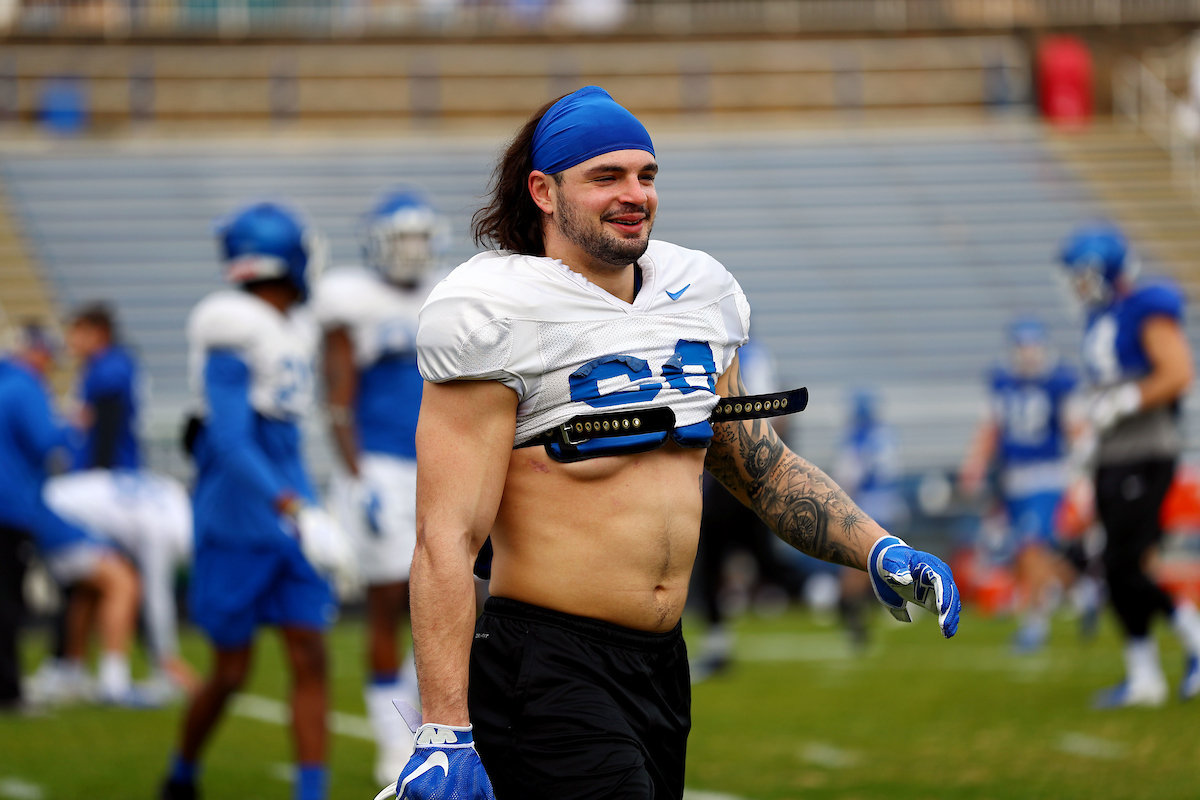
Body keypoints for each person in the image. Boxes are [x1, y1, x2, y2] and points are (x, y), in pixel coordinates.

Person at [385, 86, 961, 800]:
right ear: (543, 190)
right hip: (545, 661)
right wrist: (443, 729)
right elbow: (445, 535)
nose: (635, 194)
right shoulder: (496, 310)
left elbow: (758, 465)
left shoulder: (699, 292)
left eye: (645, 175)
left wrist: (876, 547)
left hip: (661, 663)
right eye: (606, 177)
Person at [160, 202, 352, 800]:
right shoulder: (230, 327)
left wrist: (310, 509)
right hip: (241, 514)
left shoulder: (290, 324)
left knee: (311, 656)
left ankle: (310, 792)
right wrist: (294, 506)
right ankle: (182, 773)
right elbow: (232, 440)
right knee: (231, 671)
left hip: (289, 510)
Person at [311, 189, 446, 785]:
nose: (412, 253)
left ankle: (438, 731)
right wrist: (354, 475)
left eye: (419, 240)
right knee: (391, 602)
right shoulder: (350, 300)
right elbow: (337, 401)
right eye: (402, 241)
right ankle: (394, 743)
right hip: (382, 469)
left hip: (442, 461)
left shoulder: (450, 292)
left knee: (449, 604)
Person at [1059, 221, 1200, 707]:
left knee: (1124, 563)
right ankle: (1144, 677)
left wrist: (1127, 399)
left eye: (1081, 274)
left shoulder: (1146, 305)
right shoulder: (1101, 317)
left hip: (1146, 452)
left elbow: (1178, 372)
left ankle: (1192, 634)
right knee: (1114, 568)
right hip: (1112, 457)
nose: (1075, 284)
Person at [0, 322, 141, 706]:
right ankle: (9, 690)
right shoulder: (25, 386)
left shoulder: (6, 382)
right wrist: (72, 427)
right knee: (10, 600)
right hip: (11, 506)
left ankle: (61, 670)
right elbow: (45, 441)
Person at [958, 317, 1086, 653]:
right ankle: (1085, 592)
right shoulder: (1002, 381)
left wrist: (1082, 474)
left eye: (1032, 347)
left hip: (1047, 475)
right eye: (1022, 347)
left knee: (1031, 547)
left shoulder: (1060, 381)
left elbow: (1076, 429)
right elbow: (990, 429)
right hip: (1013, 478)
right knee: (1026, 553)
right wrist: (975, 464)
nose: (1027, 354)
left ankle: (1035, 624)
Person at [691, 337, 802, 679]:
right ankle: (833, 597)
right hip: (745, 468)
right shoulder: (743, 355)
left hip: (739, 466)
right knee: (762, 558)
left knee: (709, 549)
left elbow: (771, 411)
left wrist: (757, 458)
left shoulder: (745, 357)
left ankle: (716, 644)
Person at [44, 468, 198, 698]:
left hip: (53, 503)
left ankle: (70, 671)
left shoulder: (174, 496)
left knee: (92, 587)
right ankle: (112, 682)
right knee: (123, 583)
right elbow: (157, 597)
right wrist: (168, 658)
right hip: (52, 513)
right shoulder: (168, 532)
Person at [834, 389, 907, 648]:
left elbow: (849, 478)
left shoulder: (858, 439)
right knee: (876, 564)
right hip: (888, 503)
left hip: (867, 506)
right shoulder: (886, 435)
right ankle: (869, 608)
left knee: (859, 565)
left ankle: (851, 611)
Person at [66, 302, 140, 471]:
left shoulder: (111, 367)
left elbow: (108, 419)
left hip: (111, 470)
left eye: (80, 332)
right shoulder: (97, 365)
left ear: (100, 332)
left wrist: (100, 470)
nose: (73, 339)